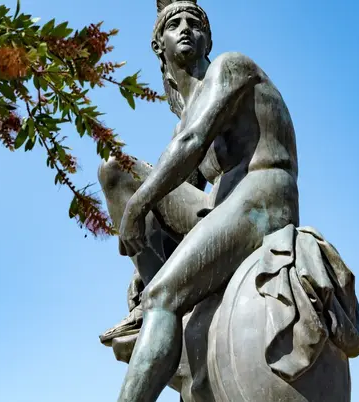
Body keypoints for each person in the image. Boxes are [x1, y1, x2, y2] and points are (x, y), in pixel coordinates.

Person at [99, 1, 301, 400]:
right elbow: (171, 185)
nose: (186, 29)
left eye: (195, 23)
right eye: (174, 24)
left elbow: (191, 143)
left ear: (208, 39)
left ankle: (159, 301)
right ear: (159, 45)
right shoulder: (183, 121)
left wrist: (137, 208)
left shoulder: (230, 67)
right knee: (115, 171)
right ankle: (152, 308)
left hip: (262, 193)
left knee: (162, 295)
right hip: (220, 204)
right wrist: (147, 232)